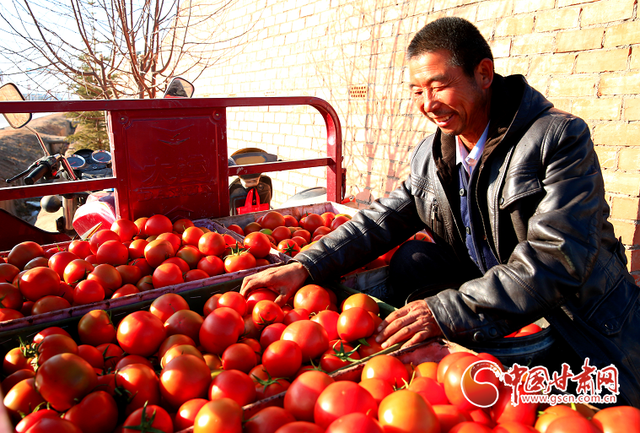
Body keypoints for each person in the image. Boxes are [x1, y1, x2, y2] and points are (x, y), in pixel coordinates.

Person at [240, 17, 640, 406]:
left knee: (584, 399)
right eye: (416, 91)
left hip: (574, 315)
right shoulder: (436, 152)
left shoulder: (559, 138)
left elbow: (557, 258)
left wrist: (445, 311)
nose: (428, 104)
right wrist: (308, 265)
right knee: (414, 260)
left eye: (440, 86)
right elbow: (383, 218)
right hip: (499, 292)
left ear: (484, 74)